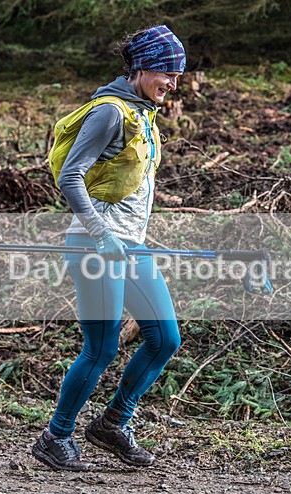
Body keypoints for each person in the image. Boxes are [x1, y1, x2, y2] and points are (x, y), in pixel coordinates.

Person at [31, 24, 187, 471]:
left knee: (164, 339)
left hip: (129, 245)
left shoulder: (144, 114)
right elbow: (70, 177)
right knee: (100, 349)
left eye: (177, 76)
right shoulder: (110, 112)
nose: (173, 84)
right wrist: (102, 235)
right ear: (141, 68)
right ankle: (55, 437)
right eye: (167, 74)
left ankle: (114, 422)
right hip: (94, 244)